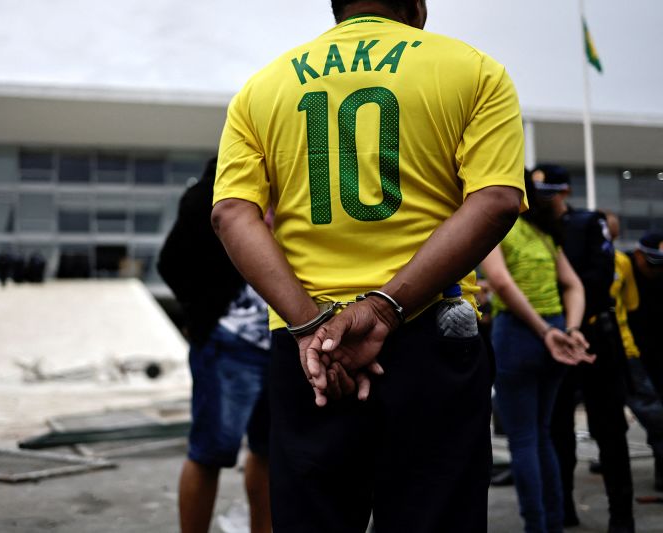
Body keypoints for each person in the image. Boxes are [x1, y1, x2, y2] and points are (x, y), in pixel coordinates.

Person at [211, 1, 529, 530]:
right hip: (432, 334)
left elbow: (230, 214)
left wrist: (311, 325)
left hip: (311, 354)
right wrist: (382, 311)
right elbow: (495, 200)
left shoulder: (262, 87)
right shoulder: (473, 69)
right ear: (417, 4)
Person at [157, 158, 272, 533]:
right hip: (228, 342)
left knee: (269, 454)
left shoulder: (293, 186)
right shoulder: (211, 192)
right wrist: (201, 317)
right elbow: (170, 262)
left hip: (285, 339)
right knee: (209, 453)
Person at [481, 171, 593, 533]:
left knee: (525, 439)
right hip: (556, 332)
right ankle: (555, 524)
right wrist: (568, 329)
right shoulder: (543, 234)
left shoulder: (497, 225)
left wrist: (545, 332)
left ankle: (537, 527)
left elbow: (499, 280)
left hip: (520, 335)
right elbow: (574, 286)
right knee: (542, 434)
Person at [535, 164, 636, 533]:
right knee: (557, 428)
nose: (543, 202)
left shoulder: (588, 223)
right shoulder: (533, 231)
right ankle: (564, 508)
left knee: (609, 429)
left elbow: (599, 275)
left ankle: (621, 515)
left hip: (594, 336)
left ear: (564, 193)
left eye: (550, 194)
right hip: (554, 338)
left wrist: (567, 304)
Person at [626, 230, 663, 491]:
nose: (656, 271)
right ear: (639, 255)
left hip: (659, 350)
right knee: (653, 413)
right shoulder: (623, 266)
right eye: (653, 265)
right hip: (633, 352)